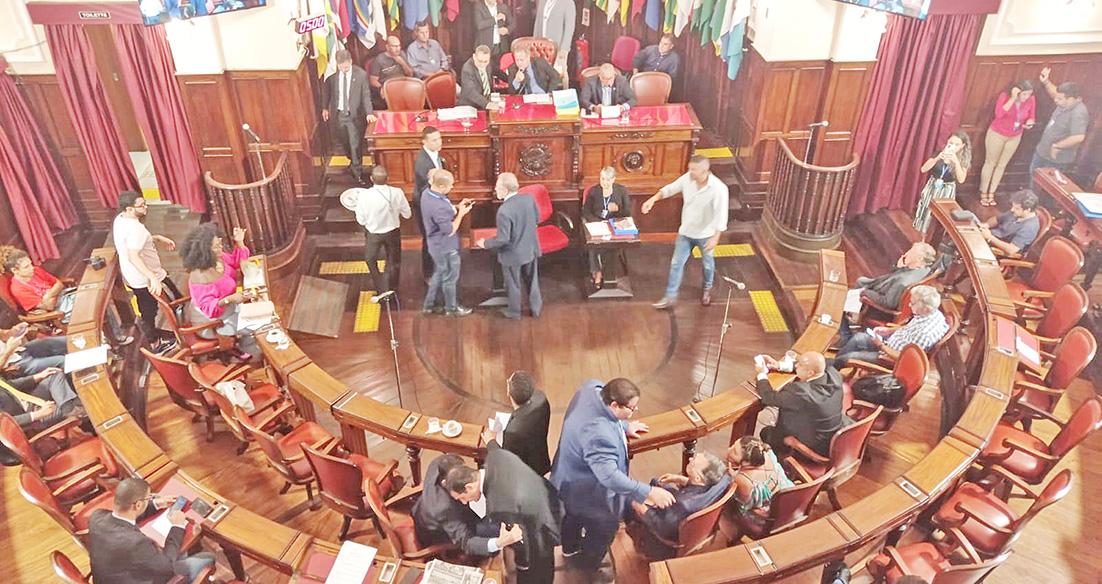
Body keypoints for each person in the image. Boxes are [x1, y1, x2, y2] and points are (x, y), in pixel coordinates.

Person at [550, 378, 676, 577]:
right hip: (588, 491)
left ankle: (569, 548)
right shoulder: (599, 435)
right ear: (615, 405)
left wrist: (624, 425)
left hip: (567, 476)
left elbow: (607, 416)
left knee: (572, 517)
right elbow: (609, 476)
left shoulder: (592, 388)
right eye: (631, 408)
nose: (635, 411)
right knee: (605, 529)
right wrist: (649, 492)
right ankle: (586, 568)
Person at [446, 441, 563, 583]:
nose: (464, 502)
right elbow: (496, 450)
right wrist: (491, 441)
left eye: (462, 498)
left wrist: (510, 541)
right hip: (548, 496)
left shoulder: (498, 504)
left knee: (538, 568)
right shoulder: (495, 460)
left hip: (543, 527)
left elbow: (522, 534)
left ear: (469, 487)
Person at [88, 477, 217, 584]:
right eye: (148, 498)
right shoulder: (136, 542)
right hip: (141, 578)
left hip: (110, 576)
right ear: (138, 505)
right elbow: (167, 568)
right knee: (208, 558)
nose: (150, 499)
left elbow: (124, 514)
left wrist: (156, 504)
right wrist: (178, 526)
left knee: (179, 551)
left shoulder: (97, 517)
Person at [642, 155, 729, 309]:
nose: (690, 172)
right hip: (686, 232)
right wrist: (653, 199)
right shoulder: (688, 179)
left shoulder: (719, 189)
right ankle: (670, 296)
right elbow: (670, 189)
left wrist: (715, 237)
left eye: (694, 169)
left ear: (704, 170)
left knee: (708, 265)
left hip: (706, 235)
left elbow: (721, 215)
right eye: (690, 169)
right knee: (676, 263)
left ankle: (707, 289)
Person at [2, 247, 132, 345]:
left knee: (98, 298)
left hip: (65, 295)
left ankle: (115, 336)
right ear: (15, 270)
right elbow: (49, 306)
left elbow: (59, 284)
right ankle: (106, 342)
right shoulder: (18, 289)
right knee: (93, 308)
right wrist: (53, 292)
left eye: (30, 263)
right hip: (58, 312)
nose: (32, 268)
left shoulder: (36, 271)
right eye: (26, 267)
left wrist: (49, 295)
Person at [413, 454, 521, 557]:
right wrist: (499, 543)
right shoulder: (443, 508)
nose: (465, 502)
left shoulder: (440, 462)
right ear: (445, 483)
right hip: (438, 532)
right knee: (492, 529)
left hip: (422, 508)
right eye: (461, 498)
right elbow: (465, 542)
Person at [627, 452, 730, 558]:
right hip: (686, 506)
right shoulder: (721, 481)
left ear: (697, 478)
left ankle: (641, 542)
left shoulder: (683, 505)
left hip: (664, 539)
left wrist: (639, 506)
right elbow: (703, 483)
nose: (690, 459)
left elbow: (663, 528)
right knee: (656, 482)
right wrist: (679, 479)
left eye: (693, 463)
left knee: (629, 501)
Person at [113, 190, 181, 354]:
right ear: (129, 209)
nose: (146, 207)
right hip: (147, 277)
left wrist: (156, 238)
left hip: (134, 276)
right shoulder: (136, 229)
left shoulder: (120, 219)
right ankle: (155, 342)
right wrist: (152, 277)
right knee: (159, 307)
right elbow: (133, 255)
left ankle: (156, 336)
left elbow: (134, 243)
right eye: (141, 205)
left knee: (150, 307)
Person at [180, 223, 258, 361]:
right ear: (205, 251)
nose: (221, 248)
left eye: (220, 244)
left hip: (229, 308)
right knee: (255, 325)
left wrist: (239, 243)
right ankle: (251, 353)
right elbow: (209, 309)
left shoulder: (217, 258)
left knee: (257, 314)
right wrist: (230, 299)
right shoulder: (200, 276)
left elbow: (235, 262)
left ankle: (244, 344)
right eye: (216, 246)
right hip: (212, 322)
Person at [753, 351, 846, 457]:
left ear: (810, 373)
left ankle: (778, 459)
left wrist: (761, 374)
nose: (796, 365)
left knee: (766, 433)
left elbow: (769, 398)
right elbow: (823, 365)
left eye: (800, 365)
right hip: (833, 437)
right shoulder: (834, 374)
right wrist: (779, 365)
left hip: (814, 447)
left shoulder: (801, 392)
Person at [476, 173, 542, 320]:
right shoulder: (529, 199)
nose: (495, 189)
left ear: (505, 190)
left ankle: (514, 312)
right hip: (530, 248)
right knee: (532, 281)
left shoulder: (504, 211)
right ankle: (535, 310)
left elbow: (503, 239)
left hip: (513, 255)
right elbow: (538, 219)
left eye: (497, 187)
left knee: (513, 284)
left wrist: (485, 243)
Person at [833, 285, 949, 367]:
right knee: (858, 338)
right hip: (890, 342)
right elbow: (910, 329)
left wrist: (881, 345)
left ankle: (830, 369)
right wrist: (889, 330)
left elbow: (903, 358)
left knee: (849, 357)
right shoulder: (933, 314)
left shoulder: (924, 334)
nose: (909, 305)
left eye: (913, 303)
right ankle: (833, 364)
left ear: (926, 308)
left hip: (888, 358)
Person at [349, 165, 411, 295]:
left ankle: (380, 286)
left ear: (371, 179)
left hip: (373, 234)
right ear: (387, 178)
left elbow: (361, 220)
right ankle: (393, 288)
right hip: (393, 233)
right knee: (394, 261)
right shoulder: (397, 192)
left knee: (370, 259)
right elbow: (407, 214)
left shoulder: (364, 196)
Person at [421, 170, 474, 317]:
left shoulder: (427, 194)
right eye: (450, 185)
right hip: (446, 247)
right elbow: (449, 230)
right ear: (441, 186)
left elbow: (443, 212)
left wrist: (456, 207)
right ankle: (451, 308)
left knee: (439, 273)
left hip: (434, 245)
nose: (452, 187)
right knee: (450, 278)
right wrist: (461, 214)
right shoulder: (439, 207)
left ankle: (429, 305)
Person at [978, 80, 1036, 207]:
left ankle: (991, 193)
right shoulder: (1005, 96)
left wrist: (1030, 122)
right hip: (997, 133)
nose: (1026, 97)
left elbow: (1031, 116)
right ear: (1016, 91)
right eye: (1024, 94)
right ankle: (983, 192)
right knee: (990, 163)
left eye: (1029, 94)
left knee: (1001, 165)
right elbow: (999, 114)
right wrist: (1013, 99)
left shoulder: (1031, 100)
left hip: (1015, 135)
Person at [323, 50, 376, 185]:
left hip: (354, 116)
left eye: (346, 66)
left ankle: (357, 173)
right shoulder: (333, 75)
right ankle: (352, 162)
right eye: (341, 67)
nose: (344, 69)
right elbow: (327, 91)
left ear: (351, 62)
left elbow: (365, 95)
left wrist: (369, 112)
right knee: (344, 143)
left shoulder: (361, 75)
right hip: (339, 115)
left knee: (355, 145)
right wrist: (325, 108)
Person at [1031, 67, 1089, 189]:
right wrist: (1046, 82)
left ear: (1072, 99)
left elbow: (1079, 137)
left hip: (1055, 160)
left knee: (1044, 188)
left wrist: (1057, 146)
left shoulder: (1079, 113)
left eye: (1060, 99)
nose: (1056, 100)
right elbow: (1055, 94)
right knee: (1033, 179)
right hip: (1042, 152)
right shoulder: (1064, 101)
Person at [724, 435, 793, 536]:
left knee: (724, 495)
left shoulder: (743, 480)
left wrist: (732, 477)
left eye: (734, 452)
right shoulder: (768, 453)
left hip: (766, 517)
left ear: (746, 462)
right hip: (790, 501)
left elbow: (744, 505)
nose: (729, 449)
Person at [582, 166, 633, 287]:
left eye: (608, 180)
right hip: (598, 223)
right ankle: (598, 272)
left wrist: (618, 209)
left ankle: (610, 273)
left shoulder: (621, 191)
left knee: (611, 246)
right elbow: (586, 211)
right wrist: (596, 222)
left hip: (615, 223)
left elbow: (628, 212)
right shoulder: (594, 191)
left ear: (613, 179)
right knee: (594, 245)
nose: (604, 182)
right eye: (602, 179)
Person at [912, 130, 971, 233]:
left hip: (947, 189)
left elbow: (961, 179)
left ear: (962, 146)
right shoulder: (939, 153)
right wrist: (937, 158)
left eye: (957, 144)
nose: (953, 146)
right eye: (951, 143)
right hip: (933, 186)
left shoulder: (963, 159)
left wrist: (956, 162)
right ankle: (921, 235)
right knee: (925, 210)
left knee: (939, 216)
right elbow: (923, 169)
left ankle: (933, 236)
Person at [852, 241, 936, 312]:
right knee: (861, 281)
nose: (906, 253)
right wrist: (898, 267)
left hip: (882, 296)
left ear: (919, 259)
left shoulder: (902, 282)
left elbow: (888, 303)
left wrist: (863, 292)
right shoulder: (925, 269)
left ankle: (852, 313)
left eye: (911, 252)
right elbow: (893, 276)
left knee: (859, 286)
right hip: (888, 286)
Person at [499, 371, 551, 476]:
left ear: (508, 392)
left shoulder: (513, 432)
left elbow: (508, 463)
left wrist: (491, 442)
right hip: (541, 463)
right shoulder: (541, 399)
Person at [0, 366, 79, 433]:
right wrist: (38, 414)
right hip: (30, 421)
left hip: (29, 402)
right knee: (76, 406)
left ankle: (69, 408)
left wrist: (39, 375)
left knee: (55, 374)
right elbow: (3, 422)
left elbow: (11, 384)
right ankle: (73, 409)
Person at [415, 126, 448, 279]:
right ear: (424, 142)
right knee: (429, 238)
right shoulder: (422, 162)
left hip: (434, 202)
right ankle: (428, 274)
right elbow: (429, 188)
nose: (439, 142)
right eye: (434, 140)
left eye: (439, 138)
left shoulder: (435, 154)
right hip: (425, 206)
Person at [978, 189, 1042, 256]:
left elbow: (1011, 250)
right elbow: (997, 219)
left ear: (1027, 210)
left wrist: (990, 237)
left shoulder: (1029, 227)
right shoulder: (1016, 212)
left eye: (1016, 208)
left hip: (996, 248)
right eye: (1013, 206)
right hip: (989, 236)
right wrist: (986, 225)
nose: (1012, 210)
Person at [0, 323, 66, 376]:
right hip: (14, 366)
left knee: (53, 342)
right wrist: (9, 350)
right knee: (62, 361)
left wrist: (14, 330)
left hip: (19, 352)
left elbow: (4, 334)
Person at [369, 36, 414, 109]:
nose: (398, 49)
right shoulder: (379, 59)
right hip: (389, 87)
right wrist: (381, 88)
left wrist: (402, 63)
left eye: (399, 46)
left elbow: (410, 74)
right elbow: (373, 80)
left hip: (403, 85)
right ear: (387, 47)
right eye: (395, 46)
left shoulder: (402, 54)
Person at [532, 0, 575, 74]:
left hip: (557, 48)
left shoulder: (568, 3)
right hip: (541, 47)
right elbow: (538, 22)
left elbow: (569, 28)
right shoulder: (542, 1)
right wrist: (534, 42)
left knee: (558, 73)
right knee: (540, 74)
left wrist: (564, 49)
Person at [459, 46, 506, 111]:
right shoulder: (467, 69)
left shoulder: (489, 63)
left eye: (485, 61)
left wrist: (513, 80)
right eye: (480, 61)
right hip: (471, 106)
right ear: (474, 57)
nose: (482, 64)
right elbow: (471, 92)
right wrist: (488, 104)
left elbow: (499, 73)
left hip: (487, 102)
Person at [472, 0, 511, 70]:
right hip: (484, 46)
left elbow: (513, 23)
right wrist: (495, 18)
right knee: (485, 70)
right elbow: (479, 25)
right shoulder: (478, 7)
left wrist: (507, 30)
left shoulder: (503, 7)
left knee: (500, 71)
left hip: (501, 47)